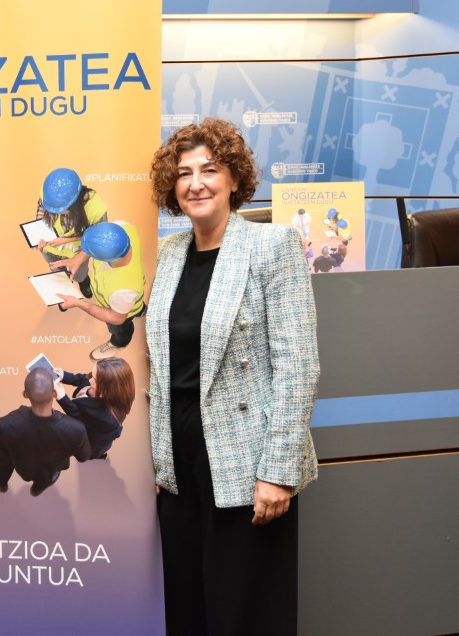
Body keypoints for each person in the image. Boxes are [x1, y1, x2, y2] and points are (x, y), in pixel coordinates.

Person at [147, 117, 320, 636]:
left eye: (209, 169)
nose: (195, 183)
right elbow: (162, 365)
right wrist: (156, 459)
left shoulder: (273, 246)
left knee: (244, 611)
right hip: (177, 457)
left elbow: (298, 366)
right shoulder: (169, 254)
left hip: (246, 458)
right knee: (186, 608)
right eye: (184, 173)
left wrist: (278, 472)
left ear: (234, 179)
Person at [0, 367, 91, 497]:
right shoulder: (76, 429)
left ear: (25, 394)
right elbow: (83, 456)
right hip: (48, 470)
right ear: (55, 393)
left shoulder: (6, 423)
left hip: (17, 462)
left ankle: (2, 485)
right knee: (45, 479)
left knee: (2, 464)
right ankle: (36, 491)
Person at [54, 221, 145, 361]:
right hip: (130, 300)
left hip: (119, 311)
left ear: (103, 258)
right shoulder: (122, 227)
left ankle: (119, 343)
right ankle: (141, 310)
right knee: (135, 306)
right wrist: (78, 259)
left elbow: (116, 318)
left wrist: (79, 303)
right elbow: (100, 240)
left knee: (120, 328)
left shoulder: (123, 291)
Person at [35, 167, 109, 297]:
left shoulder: (95, 207)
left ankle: (83, 280)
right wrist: (38, 233)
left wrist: (68, 242)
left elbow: (99, 239)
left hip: (77, 252)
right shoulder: (48, 193)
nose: (55, 212)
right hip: (50, 249)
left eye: (60, 209)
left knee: (80, 274)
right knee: (57, 273)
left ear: (75, 201)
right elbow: (41, 209)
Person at [52, 356, 135, 459]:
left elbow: (79, 419)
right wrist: (65, 376)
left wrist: (62, 398)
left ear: (106, 387)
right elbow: (83, 379)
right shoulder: (99, 383)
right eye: (92, 373)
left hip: (91, 443)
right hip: (94, 428)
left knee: (85, 452)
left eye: (94, 379)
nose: (89, 380)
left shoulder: (108, 419)